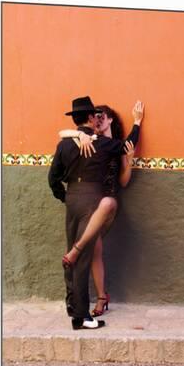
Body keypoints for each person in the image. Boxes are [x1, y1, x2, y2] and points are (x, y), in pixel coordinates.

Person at [48, 96, 141, 330]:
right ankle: (81, 318)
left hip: (72, 198)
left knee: (72, 252)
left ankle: (72, 305)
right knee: (81, 256)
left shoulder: (65, 144)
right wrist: (137, 124)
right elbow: (127, 144)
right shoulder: (100, 142)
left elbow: (53, 178)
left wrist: (64, 197)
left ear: (75, 119)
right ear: (90, 117)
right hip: (92, 199)